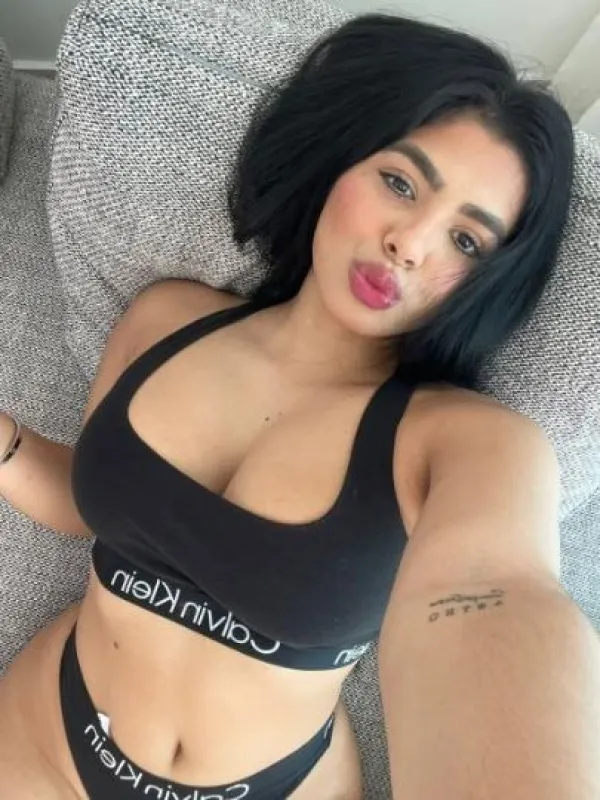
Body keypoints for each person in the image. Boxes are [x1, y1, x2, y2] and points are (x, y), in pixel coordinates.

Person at [2, 11, 598, 800]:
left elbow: (502, 596)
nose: (411, 242)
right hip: (48, 739)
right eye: (399, 183)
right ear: (338, 160)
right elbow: (94, 505)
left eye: (467, 241)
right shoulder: (164, 319)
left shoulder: (469, 444)